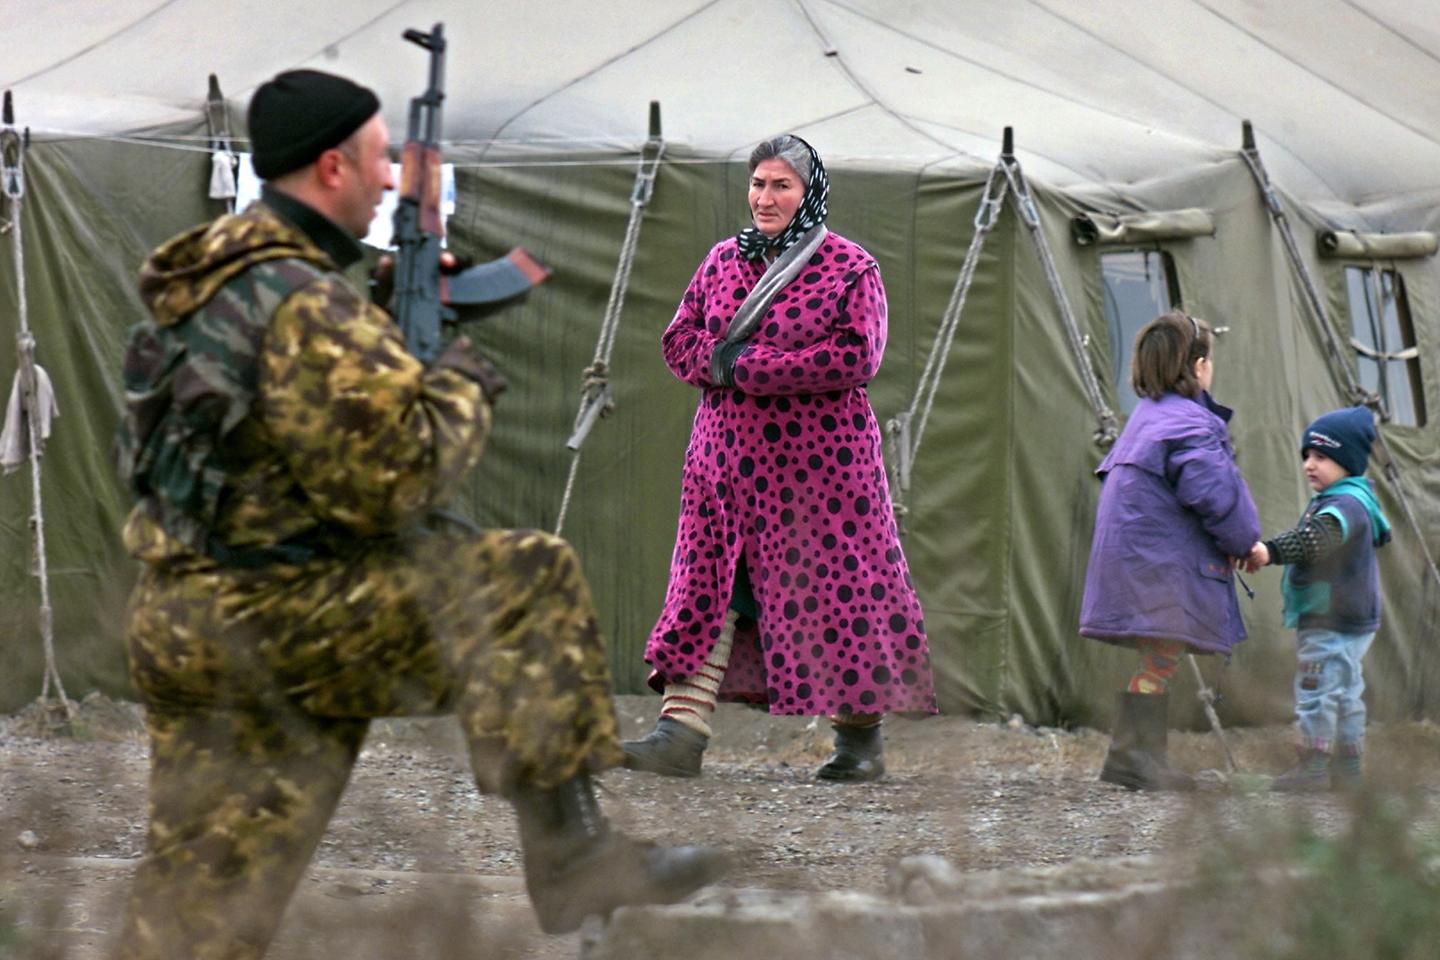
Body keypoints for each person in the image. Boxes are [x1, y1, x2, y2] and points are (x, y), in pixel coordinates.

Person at [110, 69, 724, 959]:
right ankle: (575, 853)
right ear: (330, 168)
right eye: (377, 158)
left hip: (187, 617)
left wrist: (384, 328)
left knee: (200, 912)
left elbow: (279, 429)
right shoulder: (307, 303)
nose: (390, 177)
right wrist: (457, 376)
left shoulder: (218, 279)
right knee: (522, 576)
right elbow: (397, 482)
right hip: (279, 615)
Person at [622, 134, 937, 784]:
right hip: (725, 465)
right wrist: (721, 364)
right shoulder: (720, 262)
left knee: (839, 598)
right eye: (759, 184)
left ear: (808, 192)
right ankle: (679, 733)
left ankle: (860, 742)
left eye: (781, 186)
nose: (766, 198)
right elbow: (679, 337)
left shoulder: (852, 267)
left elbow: (857, 356)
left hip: (821, 475)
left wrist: (747, 368)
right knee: (706, 590)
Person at [1079, 311, 1260, 791]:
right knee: (1160, 655)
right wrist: (1247, 543)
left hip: (1134, 559)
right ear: (1198, 366)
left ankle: (1133, 757)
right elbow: (1217, 493)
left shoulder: (1146, 418)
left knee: (1159, 653)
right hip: (1158, 567)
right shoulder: (1190, 426)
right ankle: (1136, 759)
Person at [1243, 407, 1390, 791]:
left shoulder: (1345, 506)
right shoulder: (1349, 500)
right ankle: (1348, 768)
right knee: (1344, 691)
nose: (1310, 464)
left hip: (1331, 617)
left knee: (1316, 689)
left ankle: (1314, 766)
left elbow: (1314, 541)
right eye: (1307, 455)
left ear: (1347, 461)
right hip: (1349, 617)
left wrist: (1268, 551)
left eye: (1321, 457)